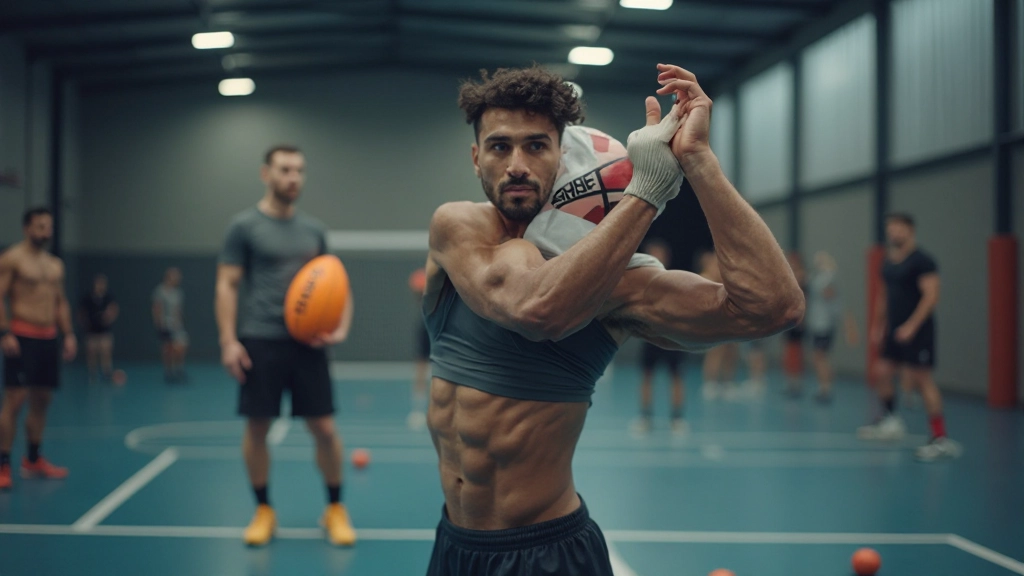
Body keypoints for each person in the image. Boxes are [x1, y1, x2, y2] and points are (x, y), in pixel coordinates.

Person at [422, 64, 803, 575]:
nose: (516, 164)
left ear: (563, 155)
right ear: (476, 158)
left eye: (536, 146)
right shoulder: (459, 227)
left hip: (548, 552)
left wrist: (698, 163)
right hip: (455, 546)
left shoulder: (620, 285)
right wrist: (645, 192)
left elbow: (773, 307)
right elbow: (533, 308)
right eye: (499, 147)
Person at [216, 144, 355, 547]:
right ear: (266, 174)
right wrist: (228, 341)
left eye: (299, 170)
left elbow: (337, 282)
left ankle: (334, 508)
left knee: (325, 428)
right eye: (284, 169)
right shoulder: (243, 226)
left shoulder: (313, 230)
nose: (293, 177)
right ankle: (263, 510)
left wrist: (341, 328)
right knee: (257, 426)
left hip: (308, 343)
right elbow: (226, 285)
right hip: (261, 338)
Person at [859, 213, 960, 461]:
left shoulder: (923, 261)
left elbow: (931, 296)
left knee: (922, 380)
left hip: (918, 331)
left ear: (910, 230)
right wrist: (878, 325)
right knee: (881, 371)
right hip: (893, 330)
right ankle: (891, 421)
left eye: (898, 228)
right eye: (890, 228)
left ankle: (940, 439)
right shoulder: (888, 262)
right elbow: (884, 295)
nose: (894, 233)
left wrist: (912, 326)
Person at [0, 208, 77, 490]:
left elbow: (61, 302)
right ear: (26, 228)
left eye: (48, 227)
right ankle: (3, 464)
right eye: (40, 226)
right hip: (22, 337)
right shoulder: (12, 259)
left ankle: (33, 460)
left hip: (48, 338)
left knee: (42, 400)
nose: (45, 231)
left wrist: (68, 334)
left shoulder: (55, 265)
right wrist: (4, 332)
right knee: (15, 401)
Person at [630, 239, 687, 436]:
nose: (656, 257)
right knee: (647, 375)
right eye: (652, 253)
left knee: (676, 376)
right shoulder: (641, 282)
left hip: (672, 338)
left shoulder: (676, 280)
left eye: (659, 253)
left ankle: (677, 418)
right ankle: (645, 417)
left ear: (666, 257)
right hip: (649, 337)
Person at [805, 251, 858, 403]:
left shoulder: (829, 278)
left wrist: (848, 327)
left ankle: (826, 388)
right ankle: (824, 386)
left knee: (821, 357)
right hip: (816, 323)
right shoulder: (818, 277)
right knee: (819, 357)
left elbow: (836, 303)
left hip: (824, 324)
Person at [698, 251, 739, 401]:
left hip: (729, 322)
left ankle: (728, 382)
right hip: (713, 323)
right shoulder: (704, 278)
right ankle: (710, 382)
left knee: (731, 352)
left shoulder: (726, 281)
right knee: (715, 352)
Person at [79, 274, 118, 383]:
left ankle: (107, 373)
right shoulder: (88, 297)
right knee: (91, 352)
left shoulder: (108, 297)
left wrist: (109, 317)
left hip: (105, 331)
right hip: (92, 331)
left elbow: (114, 309)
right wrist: (85, 323)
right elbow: (81, 313)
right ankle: (93, 373)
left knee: (106, 351)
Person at [152, 268, 189, 382]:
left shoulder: (178, 293)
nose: (178, 279)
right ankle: (169, 372)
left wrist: (179, 322)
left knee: (181, 346)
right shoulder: (160, 291)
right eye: (175, 277)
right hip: (165, 325)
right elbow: (157, 308)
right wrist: (159, 324)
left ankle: (178, 369)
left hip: (176, 326)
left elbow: (178, 310)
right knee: (168, 349)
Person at [782, 252, 808, 397]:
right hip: (788, 320)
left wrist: (801, 321)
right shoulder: (790, 278)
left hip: (797, 322)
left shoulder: (801, 279)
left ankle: (797, 382)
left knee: (796, 353)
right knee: (789, 353)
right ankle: (791, 382)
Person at [408, 268, 430, 431]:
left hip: (439, 331)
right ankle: (418, 409)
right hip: (427, 329)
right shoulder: (423, 320)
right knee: (421, 368)